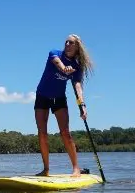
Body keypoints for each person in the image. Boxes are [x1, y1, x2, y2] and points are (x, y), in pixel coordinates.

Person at [34, 34, 94, 177]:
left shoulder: (77, 67)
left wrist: (83, 105)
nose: (67, 44)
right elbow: (58, 64)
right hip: (42, 95)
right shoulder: (54, 53)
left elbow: (77, 85)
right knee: (42, 133)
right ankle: (46, 169)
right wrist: (64, 68)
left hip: (59, 98)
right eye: (66, 41)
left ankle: (76, 168)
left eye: (71, 42)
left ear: (77, 47)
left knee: (65, 133)